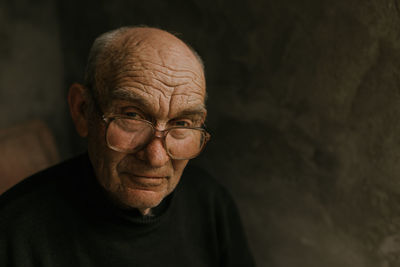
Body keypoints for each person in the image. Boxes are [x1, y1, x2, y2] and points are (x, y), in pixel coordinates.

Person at [0, 26, 255, 266]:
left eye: (182, 122)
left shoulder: (210, 203)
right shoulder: (12, 233)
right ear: (82, 110)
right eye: (132, 116)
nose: (156, 157)